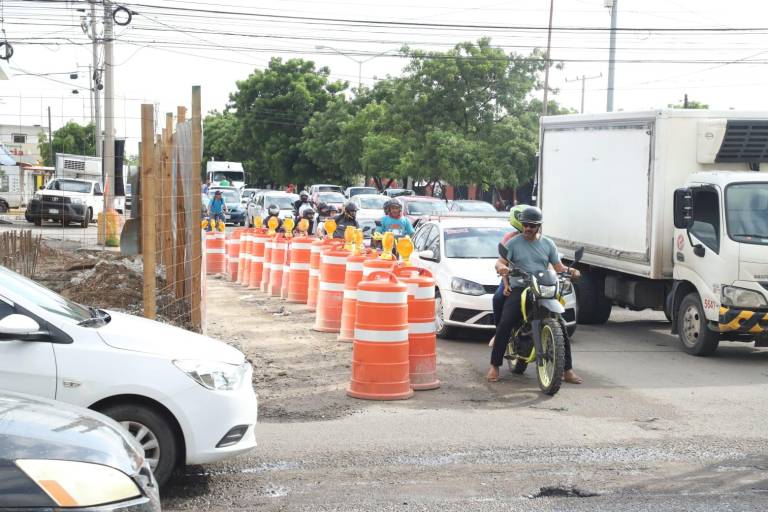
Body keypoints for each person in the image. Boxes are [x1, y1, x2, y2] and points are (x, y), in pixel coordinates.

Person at [487, 206, 583, 384]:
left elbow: (558, 267)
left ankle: (567, 370)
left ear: (539, 226)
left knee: (561, 325)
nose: (528, 228)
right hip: (521, 288)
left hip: (543, 287)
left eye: (532, 225)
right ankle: (494, 366)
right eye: (525, 225)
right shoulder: (513, 243)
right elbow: (500, 261)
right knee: (506, 322)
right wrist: (501, 267)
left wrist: (572, 271)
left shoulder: (548, 244)